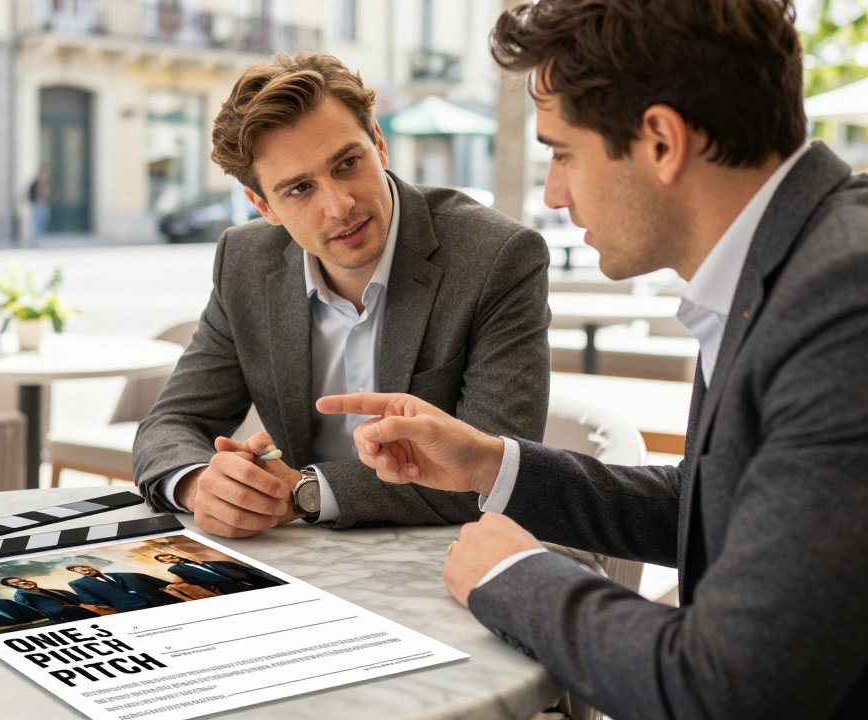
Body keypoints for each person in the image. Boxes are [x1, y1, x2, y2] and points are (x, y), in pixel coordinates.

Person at [317, 1, 868, 716]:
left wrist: (515, 573)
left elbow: (728, 687)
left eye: (562, 151)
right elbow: (718, 505)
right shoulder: (796, 263)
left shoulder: (839, 302)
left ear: (662, 142)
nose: (553, 192)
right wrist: (488, 463)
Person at [133, 52, 551, 538]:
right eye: (299, 189)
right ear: (263, 205)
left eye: (348, 163)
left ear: (379, 145)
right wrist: (202, 483)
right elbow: (170, 424)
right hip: (296, 559)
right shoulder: (245, 261)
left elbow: (494, 468)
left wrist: (305, 492)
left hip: (447, 553)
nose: (339, 206)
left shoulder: (497, 257)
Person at [65, 564, 182, 612]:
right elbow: (89, 599)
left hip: (163, 601)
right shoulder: (78, 584)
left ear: (93, 567)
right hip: (131, 608)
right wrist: (104, 605)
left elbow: (146, 578)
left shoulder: (121, 574)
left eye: (84, 567)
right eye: (78, 570)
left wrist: (167, 584)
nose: (84, 570)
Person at [153, 553, 282, 594]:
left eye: (169, 556)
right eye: (164, 560)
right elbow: (192, 581)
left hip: (252, 579)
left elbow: (237, 567)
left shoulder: (205, 561)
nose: (168, 559)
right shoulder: (176, 569)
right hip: (229, 587)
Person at [0, 577, 100, 623]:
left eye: (21, 580)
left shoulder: (53, 590)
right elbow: (32, 612)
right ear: (12, 587)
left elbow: (78, 599)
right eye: (16, 584)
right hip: (66, 619)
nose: (22, 583)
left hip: (87, 613)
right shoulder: (21, 596)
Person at [28, 167, 52, 245]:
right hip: (37, 205)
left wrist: (49, 199)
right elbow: (31, 193)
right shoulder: (35, 184)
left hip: (45, 205)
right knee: (36, 222)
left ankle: (40, 237)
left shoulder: (46, 183)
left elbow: (50, 192)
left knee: (43, 221)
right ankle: (35, 239)